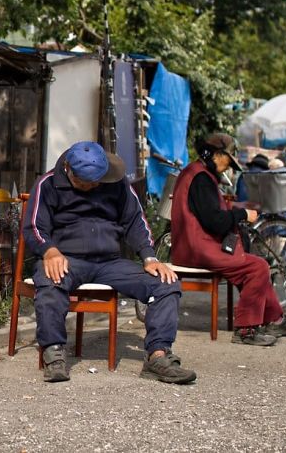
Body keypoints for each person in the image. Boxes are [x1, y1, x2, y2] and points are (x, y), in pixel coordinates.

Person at [23, 141, 196, 384]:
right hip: (66, 259)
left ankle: (158, 356)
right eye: (87, 182)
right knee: (50, 281)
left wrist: (149, 256)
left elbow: (136, 220)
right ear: (68, 169)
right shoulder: (48, 183)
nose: (95, 186)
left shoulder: (115, 181)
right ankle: (54, 354)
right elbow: (33, 227)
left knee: (166, 282)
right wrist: (49, 251)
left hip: (110, 262)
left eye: (98, 180)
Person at [170, 133, 286, 347]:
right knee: (257, 267)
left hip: (191, 246)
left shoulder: (194, 173)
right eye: (227, 160)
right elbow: (214, 221)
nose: (228, 167)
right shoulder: (202, 179)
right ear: (215, 155)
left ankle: (275, 318)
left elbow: (208, 212)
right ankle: (246, 329)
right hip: (198, 249)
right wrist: (242, 215)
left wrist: (238, 209)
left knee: (255, 263)